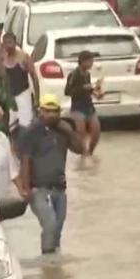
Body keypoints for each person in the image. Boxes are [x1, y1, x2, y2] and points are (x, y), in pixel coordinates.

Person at [17, 94, 85, 254]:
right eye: (47, 111)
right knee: (50, 224)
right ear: (40, 111)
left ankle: (53, 268)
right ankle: (47, 259)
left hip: (60, 189)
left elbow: (80, 149)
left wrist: (70, 132)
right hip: (39, 189)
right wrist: (25, 188)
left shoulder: (64, 130)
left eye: (54, 111)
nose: (51, 115)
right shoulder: (31, 132)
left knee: (58, 229)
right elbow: (25, 161)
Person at [66, 50, 102, 157]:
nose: (91, 63)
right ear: (82, 62)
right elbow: (67, 91)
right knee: (80, 133)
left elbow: (88, 90)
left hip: (89, 107)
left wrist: (96, 93)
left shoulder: (87, 74)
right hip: (77, 107)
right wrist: (83, 87)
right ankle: (83, 153)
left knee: (96, 132)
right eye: (90, 61)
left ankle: (89, 152)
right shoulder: (74, 75)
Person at [2, 33, 39, 131]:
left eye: (10, 42)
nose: (8, 45)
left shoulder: (23, 57)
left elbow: (34, 77)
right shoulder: (2, 59)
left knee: (26, 125)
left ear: (15, 43)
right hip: (9, 97)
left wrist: (37, 99)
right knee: (11, 127)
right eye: (5, 43)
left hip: (23, 94)